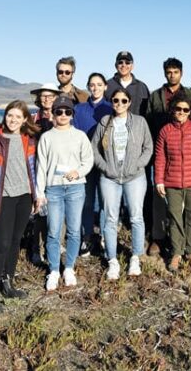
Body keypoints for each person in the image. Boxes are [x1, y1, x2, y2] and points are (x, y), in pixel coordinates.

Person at [0, 100, 40, 315]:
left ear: (25, 119)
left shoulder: (28, 139)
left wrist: (35, 196)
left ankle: (8, 283)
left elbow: (33, 169)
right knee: (2, 244)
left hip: (24, 196)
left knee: (15, 242)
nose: (13, 120)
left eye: (18, 117)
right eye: (10, 115)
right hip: (3, 198)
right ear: (5, 116)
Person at [92, 88, 153, 280]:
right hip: (110, 178)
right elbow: (93, 149)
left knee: (136, 217)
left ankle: (135, 256)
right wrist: (105, 168)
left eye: (123, 100)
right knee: (110, 219)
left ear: (129, 102)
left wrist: (137, 165)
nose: (119, 104)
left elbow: (148, 147)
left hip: (134, 177)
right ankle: (112, 260)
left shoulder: (140, 122)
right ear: (111, 102)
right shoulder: (104, 122)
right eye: (116, 100)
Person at [36, 95, 94, 291]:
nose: (63, 115)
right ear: (53, 113)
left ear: (72, 114)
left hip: (76, 188)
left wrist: (78, 172)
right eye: (59, 111)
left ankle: (69, 267)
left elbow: (88, 160)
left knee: (74, 230)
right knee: (53, 231)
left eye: (67, 111)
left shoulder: (80, 136)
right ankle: (53, 270)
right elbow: (41, 167)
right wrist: (40, 192)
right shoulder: (46, 137)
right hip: (53, 189)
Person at [145, 57, 191, 256]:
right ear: (164, 73)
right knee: (159, 196)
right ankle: (158, 237)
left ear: (181, 73)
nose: (172, 75)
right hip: (162, 149)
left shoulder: (190, 95)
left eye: (175, 72)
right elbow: (149, 122)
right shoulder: (155, 96)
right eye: (169, 72)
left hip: (186, 154)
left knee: (188, 200)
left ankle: (186, 243)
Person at [154, 93, 191, 273]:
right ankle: (177, 252)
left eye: (185, 110)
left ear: (190, 111)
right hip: (172, 182)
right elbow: (160, 158)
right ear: (173, 110)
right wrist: (159, 181)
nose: (181, 112)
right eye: (178, 109)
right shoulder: (165, 131)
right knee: (175, 218)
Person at [73, 73, 113, 256]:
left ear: (105, 86)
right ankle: (87, 236)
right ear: (88, 87)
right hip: (85, 163)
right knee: (87, 202)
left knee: (106, 202)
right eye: (92, 85)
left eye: (99, 84)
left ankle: (105, 237)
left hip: (105, 162)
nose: (95, 88)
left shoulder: (112, 108)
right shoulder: (79, 109)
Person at [28, 82, 62, 264]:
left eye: (50, 96)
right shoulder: (33, 119)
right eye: (44, 96)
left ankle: (56, 246)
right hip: (38, 169)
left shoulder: (62, 116)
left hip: (58, 170)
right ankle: (37, 249)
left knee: (58, 210)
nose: (47, 99)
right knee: (40, 210)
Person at [105, 51, 150, 116]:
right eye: (120, 62)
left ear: (132, 66)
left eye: (127, 63)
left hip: (136, 125)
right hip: (112, 124)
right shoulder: (107, 85)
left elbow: (147, 111)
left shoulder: (142, 87)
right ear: (115, 65)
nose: (124, 65)